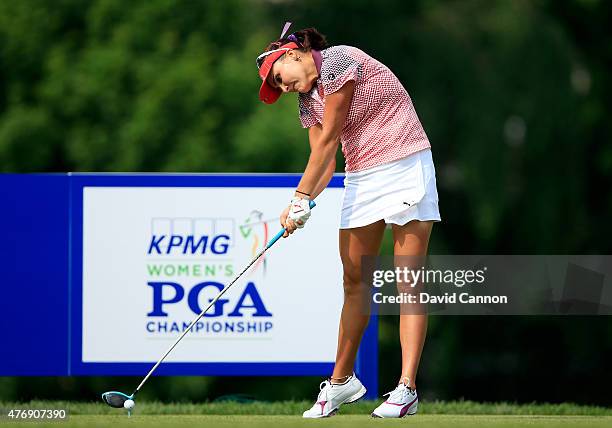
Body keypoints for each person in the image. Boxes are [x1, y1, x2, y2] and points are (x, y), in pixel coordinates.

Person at [256, 22, 441, 419]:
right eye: (277, 88)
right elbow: (324, 164)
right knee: (354, 279)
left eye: (280, 79)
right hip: (364, 175)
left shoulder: (339, 60)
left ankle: (406, 389)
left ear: (293, 54)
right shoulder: (307, 101)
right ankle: (341, 383)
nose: (283, 87)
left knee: (407, 278)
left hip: (405, 161)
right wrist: (301, 206)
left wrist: (300, 198)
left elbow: (328, 139)